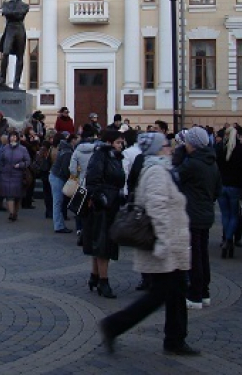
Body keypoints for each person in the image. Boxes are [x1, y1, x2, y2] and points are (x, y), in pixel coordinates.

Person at [99, 133, 198, 356]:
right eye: (166, 146)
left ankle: (175, 339)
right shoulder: (155, 172)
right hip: (164, 244)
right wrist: (164, 241)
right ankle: (114, 325)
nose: (170, 149)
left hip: (172, 243)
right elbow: (157, 208)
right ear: (156, 149)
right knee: (160, 294)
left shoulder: (162, 170)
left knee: (175, 292)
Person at [177, 126, 221, 309]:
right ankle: (204, 292)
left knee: (193, 256)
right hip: (206, 212)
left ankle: (194, 295)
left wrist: (178, 156)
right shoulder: (212, 162)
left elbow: (176, 177)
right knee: (202, 253)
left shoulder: (192, 163)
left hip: (192, 213)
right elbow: (218, 189)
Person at [83, 129, 125, 299]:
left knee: (100, 242)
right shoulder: (101, 156)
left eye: (122, 142)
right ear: (109, 142)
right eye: (118, 142)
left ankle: (94, 276)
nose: (121, 145)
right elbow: (92, 180)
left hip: (112, 203)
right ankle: (103, 281)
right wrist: (100, 198)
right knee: (103, 245)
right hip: (102, 206)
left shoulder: (115, 157)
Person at [215, 126, 242, 259]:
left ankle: (226, 239)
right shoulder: (239, 149)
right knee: (234, 215)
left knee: (225, 214)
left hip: (222, 184)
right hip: (235, 185)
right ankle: (229, 239)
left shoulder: (219, 148)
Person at [0, 0, 30, 90]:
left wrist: (11, 13)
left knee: (20, 56)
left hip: (20, 30)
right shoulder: (6, 4)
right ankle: (2, 79)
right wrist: (14, 14)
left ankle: (16, 83)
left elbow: (20, 15)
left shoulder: (25, 5)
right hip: (10, 29)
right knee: (5, 53)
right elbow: (6, 13)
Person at [0, 130, 31, 222]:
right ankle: (11, 213)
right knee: (9, 195)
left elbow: (28, 161)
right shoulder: (5, 148)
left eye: (15, 136)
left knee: (17, 197)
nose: (13, 138)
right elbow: (1, 161)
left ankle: (15, 213)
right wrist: (2, 169)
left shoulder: (23, 149)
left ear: (17, 138)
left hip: (18, 175)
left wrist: (21, 165)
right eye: (11, 136)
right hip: (6, 175)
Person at [49, 133, 78, 233]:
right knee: (57, 202)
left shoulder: (65, 149)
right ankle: (58, 226)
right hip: (58, 177)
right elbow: (66, 169)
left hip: (55, 176)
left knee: (58, 202)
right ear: (73, 140)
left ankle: (59, 224)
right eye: (77, 139)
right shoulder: (68, 152)